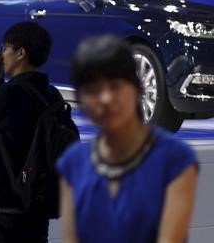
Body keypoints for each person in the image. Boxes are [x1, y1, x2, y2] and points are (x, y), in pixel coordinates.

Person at [56, 35, 198, 243]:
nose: (104, 99)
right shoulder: (74, 163)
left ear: (137, 88)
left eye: (114, 86)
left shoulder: (174, 160)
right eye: (92, 90)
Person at [0, 21, 77, 243]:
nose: (1, 55)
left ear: (21, 53)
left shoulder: (7, 96)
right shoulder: (53, 96)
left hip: (2, 215)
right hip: (36, 212)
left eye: (5, 48)